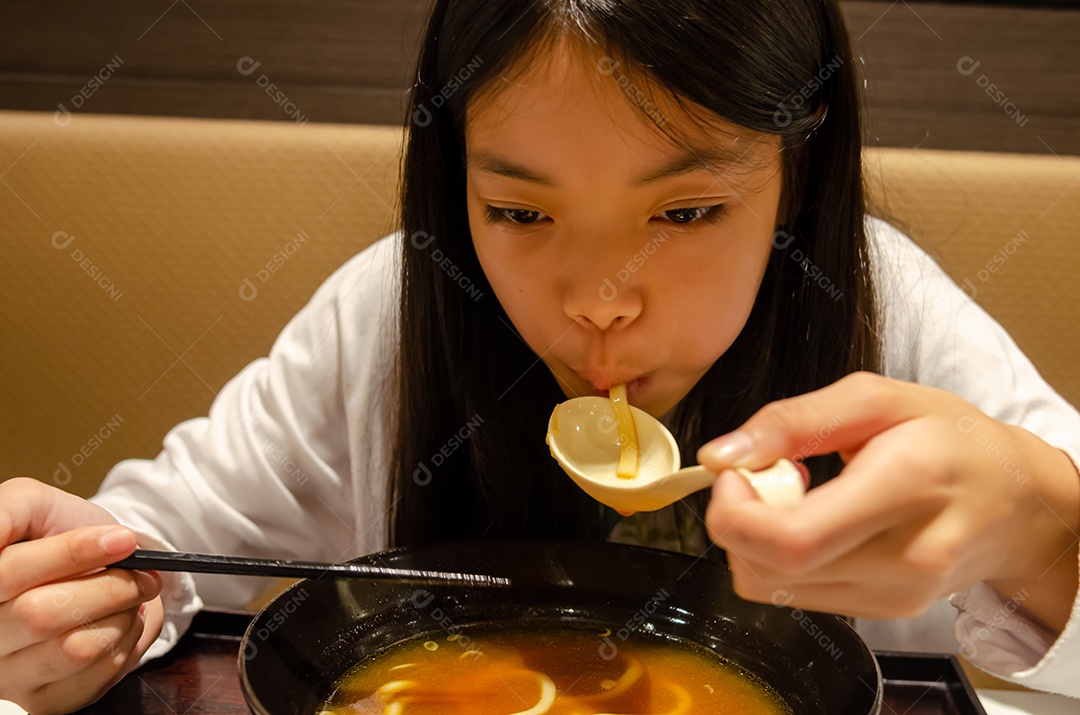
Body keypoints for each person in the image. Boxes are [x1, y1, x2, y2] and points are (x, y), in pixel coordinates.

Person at [2, 0, 1078, 711]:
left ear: (799, 173)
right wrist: (74, 606)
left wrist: (1043, 521)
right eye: (519, 212)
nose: (600, 301)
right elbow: (160, 554)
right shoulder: (387, 318)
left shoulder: (889, 325)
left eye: (691, 209)